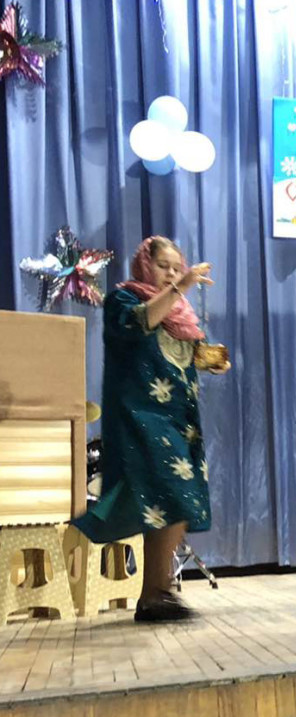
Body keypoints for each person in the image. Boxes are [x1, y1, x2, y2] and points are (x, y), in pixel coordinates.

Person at [72, 236, 228, 621]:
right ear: (145, 265)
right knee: (174, 497)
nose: (172, 274)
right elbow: (141, 322)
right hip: (140, 419)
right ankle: (157, 592)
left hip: (179, 421)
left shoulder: (181, 314)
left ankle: (154, 595)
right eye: (164, 267)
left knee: (170, 506)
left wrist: (208, 360)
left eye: (177, 268)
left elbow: (183, 354)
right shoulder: (123, 300)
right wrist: (181, 287)